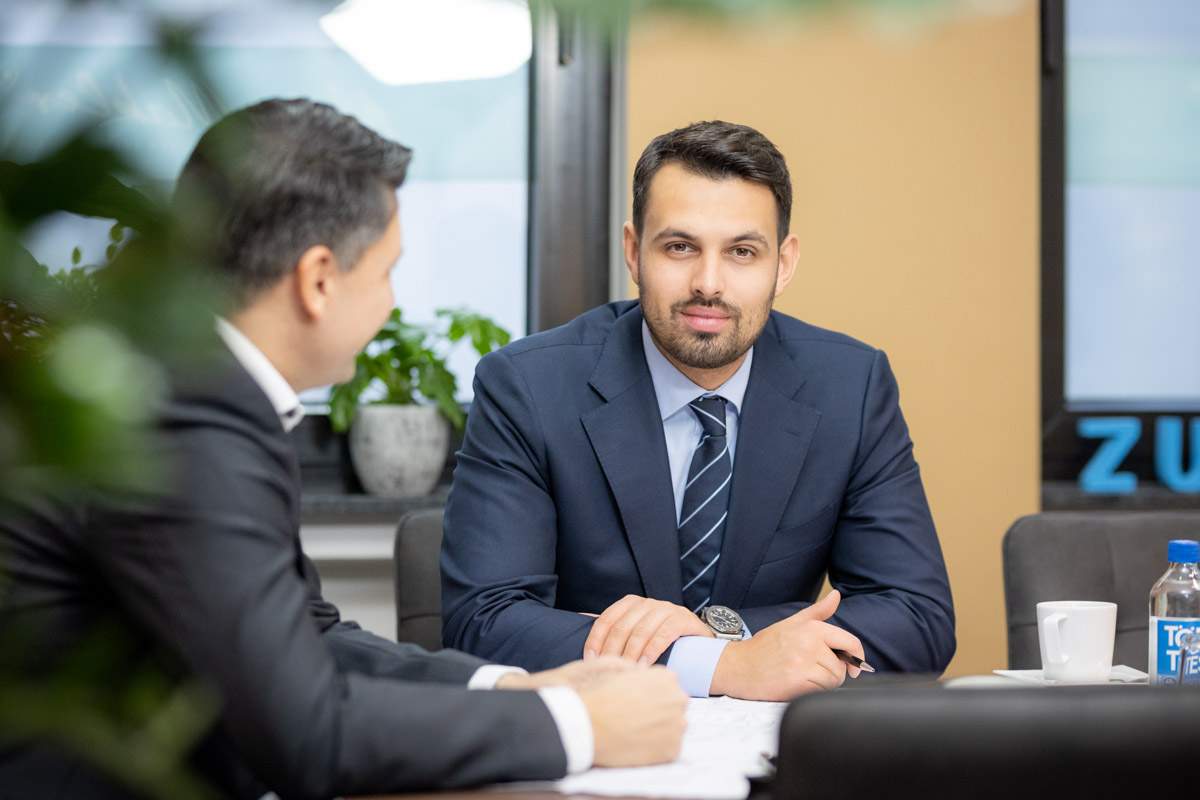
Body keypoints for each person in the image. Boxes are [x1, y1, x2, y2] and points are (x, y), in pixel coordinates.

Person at [0, 99, 687, 800]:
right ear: (318, 279)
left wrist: (515, 685)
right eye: (387, 271)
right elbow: (309, 736)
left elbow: (310, 634)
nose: (391, 303)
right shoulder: (184, 414)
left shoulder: (196, 382)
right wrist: (575, 725)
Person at [441, 120, 956, 701]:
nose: (708, 284)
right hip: (593, 742)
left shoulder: (851, 387)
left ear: (783, 264)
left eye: (742, 251)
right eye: (680, 247)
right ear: (635, 253)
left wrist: (725, 634)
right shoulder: (527, 387)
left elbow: (917, 618)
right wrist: (716, 665)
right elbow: (483, 622)